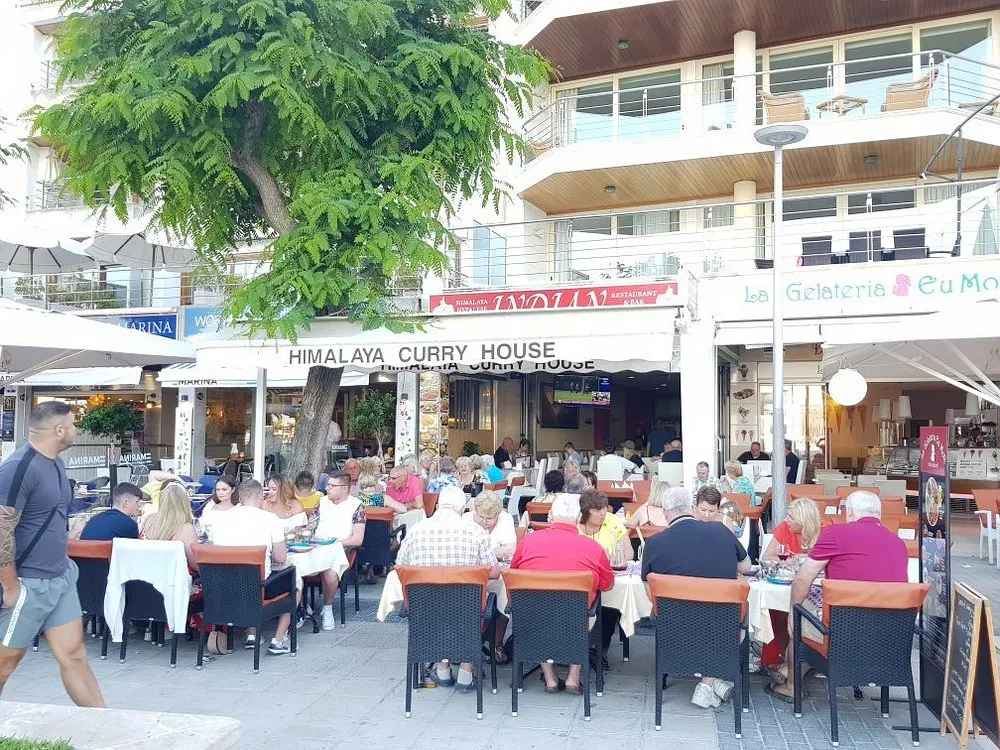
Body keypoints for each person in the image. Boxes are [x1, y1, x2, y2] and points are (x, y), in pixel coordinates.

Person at [0, 401, 105, 706]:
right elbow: (1, 528)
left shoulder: (56, 463)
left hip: (60, 577)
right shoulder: (18, 469)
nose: (76, 430)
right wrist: (10, 587)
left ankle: (108, 728)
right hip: (27, 583)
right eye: (73, 425)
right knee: (5, 664)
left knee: (74, 655)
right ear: (59, 430)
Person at [769, 492, 908, 703]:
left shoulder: (836, 533)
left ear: (849, 512)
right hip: (888, 638)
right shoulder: (899, 544)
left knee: (800, 621)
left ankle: (791, 687)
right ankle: (791, 668)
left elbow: (803, 578)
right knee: (813, 623)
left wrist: (792, 613)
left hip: (842, 634)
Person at [640, 484, 751, 708]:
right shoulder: (721, 531)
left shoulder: (654, 543)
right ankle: (710, 681)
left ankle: (710, 683)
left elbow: (650, 593)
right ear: (691, 507)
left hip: (674, 626)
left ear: (665, 512)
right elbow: (746, 566)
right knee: (736, 621)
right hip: (720, 626)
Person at [397, 485, 500, 691]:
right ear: (462, 509)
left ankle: (443, 670)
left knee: (440, 607)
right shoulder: (475, 531)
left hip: (424, 612)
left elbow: (400, 567)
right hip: (467, 612)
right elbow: (495, 572)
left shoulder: (416, 529)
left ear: (437, 505)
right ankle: (465, 672)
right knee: (474, 606)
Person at [511, 493, 613, 694]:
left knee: (537, 606)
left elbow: (515, 574)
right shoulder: (593, 548)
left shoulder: (528, 542)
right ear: (577, 519)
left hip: (534, 617)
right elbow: (607, 584)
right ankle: (573, 678)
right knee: (585, 612)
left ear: (550, 516)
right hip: (575, 619)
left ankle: (550, 679)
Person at [211, 479, 288, 652]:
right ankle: (279, 639)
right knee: (295, 582)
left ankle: (253, 634)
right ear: (261, 497)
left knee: (247, 575)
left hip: (225, 586)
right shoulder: (270, 519)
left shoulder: (221, 518)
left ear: (239, 497)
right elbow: (281, 558)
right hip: (258, 588)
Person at [311, 470, 367, 634]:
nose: (327, 488)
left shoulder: (357, 506)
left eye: (331, 485)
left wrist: (334, 543)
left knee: (330, 573)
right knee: (292, 566)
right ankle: (299, 609)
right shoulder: (321, 502)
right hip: (315, 547)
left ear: (344, 488)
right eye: (328, 485)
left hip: (341, 549)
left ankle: (327, 607)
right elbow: (311, 525)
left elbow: (357, 539)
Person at [578, 489, 628, 668]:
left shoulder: (613, 521)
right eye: (597, 510)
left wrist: (614, 557)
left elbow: (628, 552)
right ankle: (579, 646)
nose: (602, 513)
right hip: (581, 580)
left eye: (604, 509)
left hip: (608, 575)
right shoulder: (575, 526)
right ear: (586, 511)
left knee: (610, 602)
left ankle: (601, 649)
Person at [141, 483, 200, 573]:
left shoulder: (148, 520)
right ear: (185, 503)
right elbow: (196, 565)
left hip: (144, 576)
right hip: (174, 582)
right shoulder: (185, 528)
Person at [467, 490, 517, 562]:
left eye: (489, 518)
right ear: (476, 511)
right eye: (481, 516)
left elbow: (510, 549)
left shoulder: (505, 518)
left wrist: (482, 554)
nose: (484, 521)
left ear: (497, 515)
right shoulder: (466, 519)